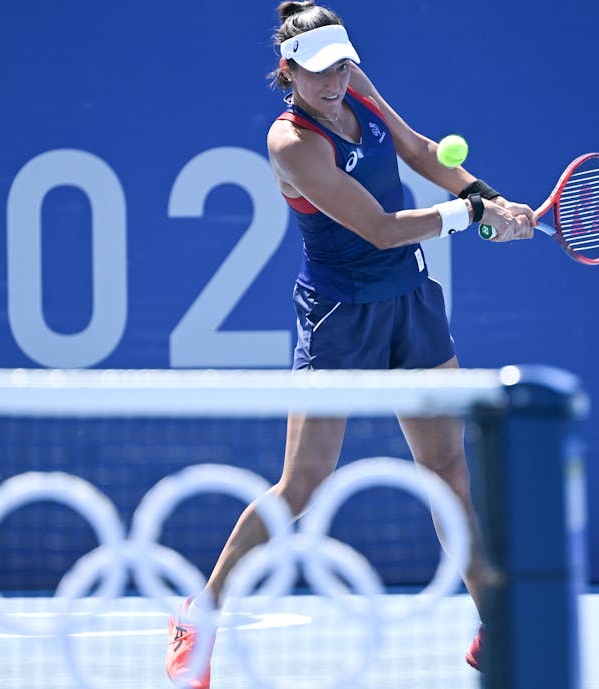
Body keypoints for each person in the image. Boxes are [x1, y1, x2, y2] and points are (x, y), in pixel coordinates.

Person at [166, 2, 535, 686]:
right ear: (287, 72)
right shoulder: (291, 144)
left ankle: (493, 623)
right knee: (302, 484)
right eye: (315, 71)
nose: (332, 80)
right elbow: (382, 230)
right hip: (340, 316)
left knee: (448, 469)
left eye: (339, 63)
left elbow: (421, 152)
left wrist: (493, 198)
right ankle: (203, 608)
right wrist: (471, 214)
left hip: (410, 302)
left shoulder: (355, 84)